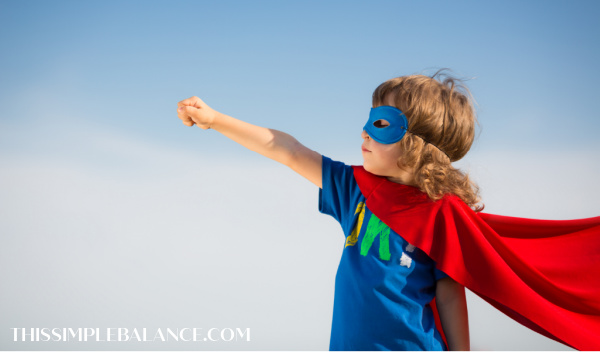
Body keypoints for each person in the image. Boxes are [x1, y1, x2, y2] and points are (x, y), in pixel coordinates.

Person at [176, 72, 600, 351]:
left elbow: (450, 295)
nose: (363, 130)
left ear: (415, 142)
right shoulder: (354, 190)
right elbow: (285, 150)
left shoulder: (441, 215)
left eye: (380, 124)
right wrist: (215, 119)